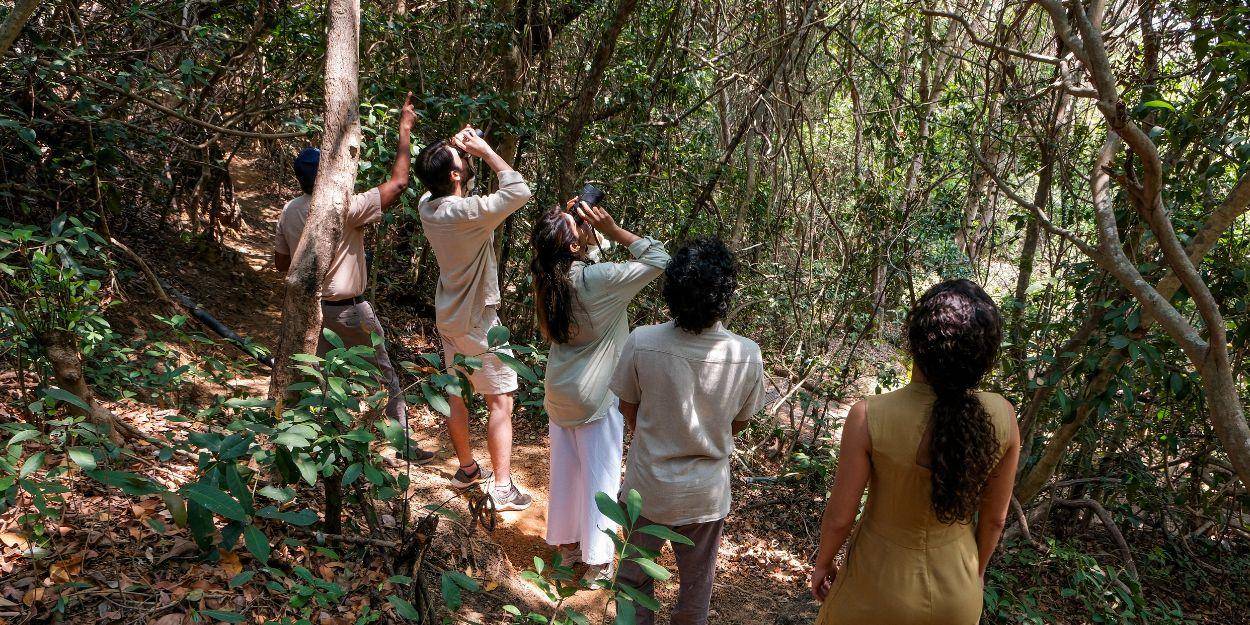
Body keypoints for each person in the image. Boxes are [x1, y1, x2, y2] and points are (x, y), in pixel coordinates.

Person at [810, 279, 1020, 625]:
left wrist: (823, 564)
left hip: (876, 586)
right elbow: (995, 519)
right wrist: (976, 574)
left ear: (917, 344)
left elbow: (840, 517)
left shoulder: (869, 416)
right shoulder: (1002, 414)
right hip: (958, 592)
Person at [610, 238, 765, 625]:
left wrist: (651, 431)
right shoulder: (746, 353)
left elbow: (627, 405)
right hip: (705, 494)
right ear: (724, 294)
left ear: (673, 290)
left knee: (632, 583)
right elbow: (739, 423)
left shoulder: (643, 341)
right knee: (696, 594)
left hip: (648, 488)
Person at [274, 93, 434, 465]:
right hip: (350, 310)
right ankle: (401, 445)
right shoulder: (345, 206)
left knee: (320, 378)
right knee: (385, 376)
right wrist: (404, 129)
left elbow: (282, 264)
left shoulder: (289, 211)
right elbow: (398, 183)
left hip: (313, 311)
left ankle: (313, 444)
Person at [531, 198, 670, 584]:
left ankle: (566, 545)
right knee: (601, 477)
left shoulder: (546, 277)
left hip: (560, 388)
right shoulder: (599, 280)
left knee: (567, 471)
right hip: (595, 396)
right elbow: (659, 259)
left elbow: (582, 262)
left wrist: (587, 236)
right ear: (575, 246)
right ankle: (597, 561)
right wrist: (611, 229)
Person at [414, 125, 533, 510]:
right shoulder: (468, 214)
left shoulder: (426, 207)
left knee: (457, 395)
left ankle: (467, 470)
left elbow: (436, 181)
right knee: (500, 400)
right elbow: (519, 191)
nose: (465, 160)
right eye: (459, 160)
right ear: (455, 175)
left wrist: (453, 150)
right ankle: (502, 487)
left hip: (449, 317)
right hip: (478, 321)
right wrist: (483, 150)